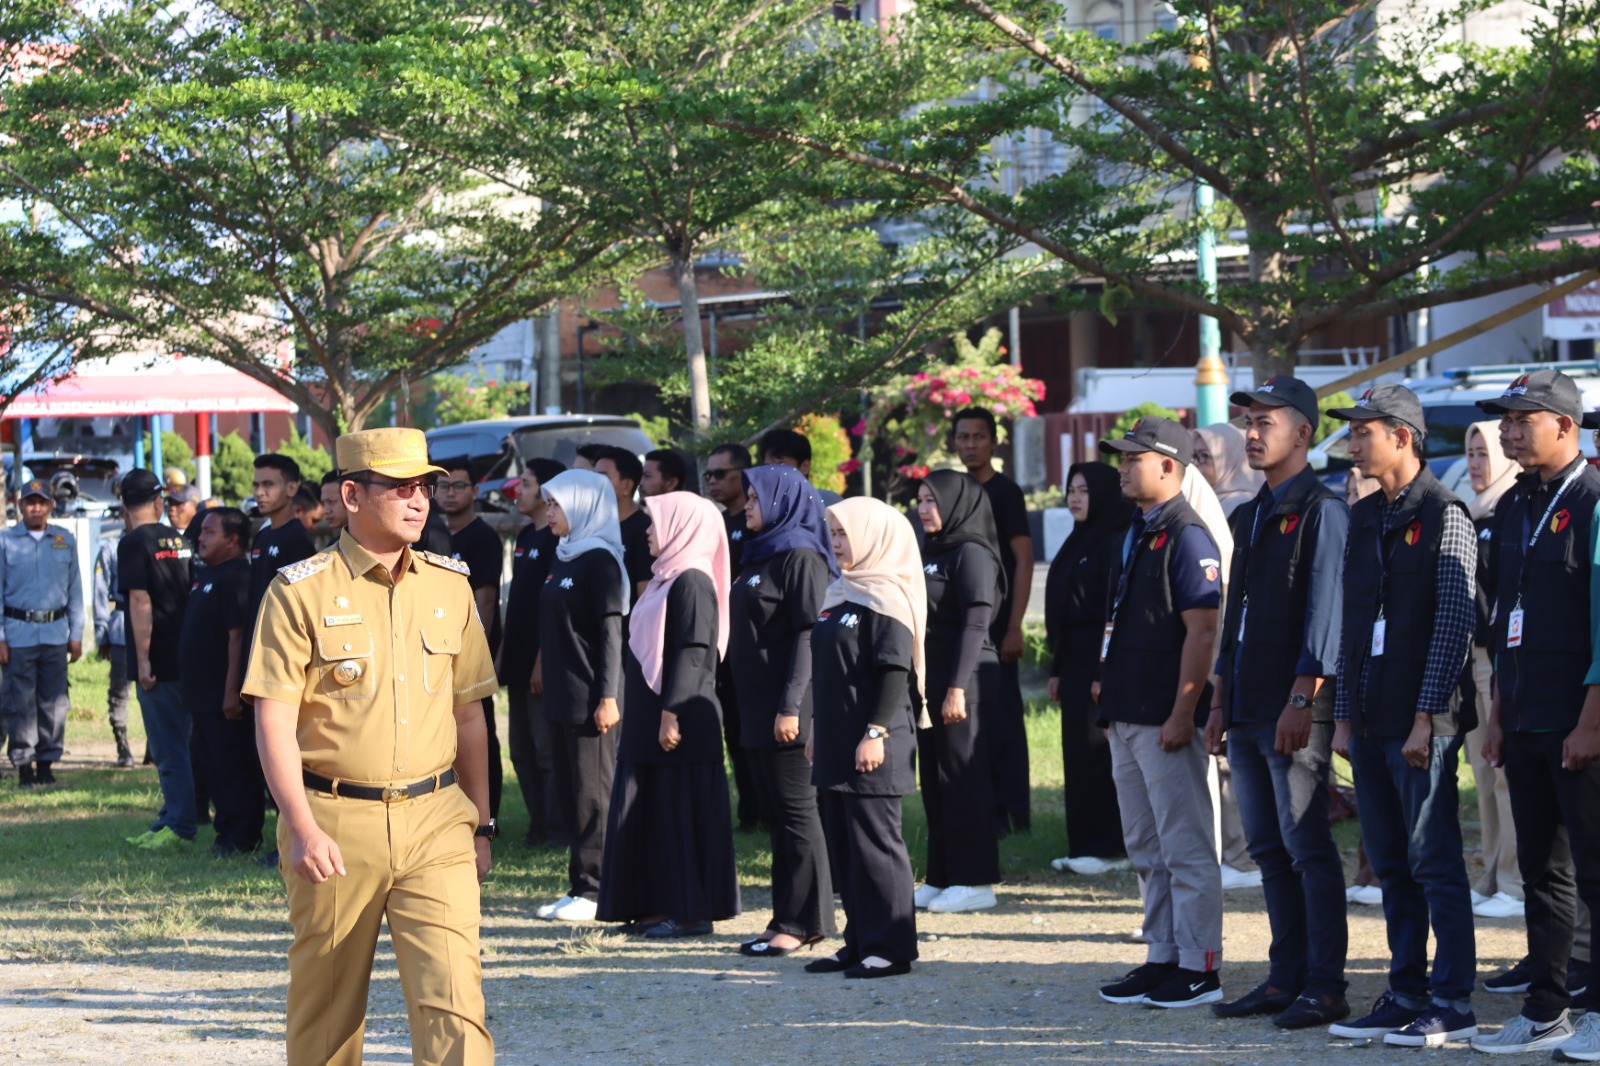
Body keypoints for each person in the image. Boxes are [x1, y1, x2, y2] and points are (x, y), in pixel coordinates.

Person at [245, 427, 498, 1066]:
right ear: (352, 494)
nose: (419, 500)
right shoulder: (299, 589)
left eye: (426, 487)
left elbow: (470, 716)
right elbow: (274, 719)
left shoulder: (450, 586)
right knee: (326, 1011)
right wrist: (300, 827)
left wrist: (482, 824)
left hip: (437, 821)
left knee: (455, 1005)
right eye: (402, 487)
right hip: (334, 823)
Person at [1324, 384, 1478, 1047]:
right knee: (1388, 859)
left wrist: (1426, 716)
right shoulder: (1364, 515)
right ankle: (1404, 989)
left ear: (1403, 436)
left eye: (1364, 432)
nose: (1353, 443)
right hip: (1370, 717)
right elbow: (1353, 623)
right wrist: (1343, 713)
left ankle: (1452, 998)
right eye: (1352, 432)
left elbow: (1453, 623)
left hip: (1423, 721)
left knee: (1432, 858)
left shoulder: (1447, 514)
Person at [1206, 377, 1351, 1030]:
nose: (1253, 433)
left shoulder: (1323, 510)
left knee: (1306, 846)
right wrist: (1219, 700)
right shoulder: (1250, 513)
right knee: (1267, 849)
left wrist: (1304, 695)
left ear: (1304, 432)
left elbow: (1326, 614)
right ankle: (1284, 976)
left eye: (1267, 422)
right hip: (1246, 706)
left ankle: (1325, 985)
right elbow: (1235, 616)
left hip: (1295, 706)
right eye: (1248, 422)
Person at [1471, 369, 1600, 1056]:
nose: (1512, 430)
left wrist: (1591, 720)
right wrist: (1498, 714)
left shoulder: (1593, 498)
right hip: (1522, 716)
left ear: (1566, 427)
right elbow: (1504, 618)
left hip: (1579, 721)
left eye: (1526, 418)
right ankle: (1547, 1007)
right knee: (1542, 870)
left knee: (1596, 869)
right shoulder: (1519, 503)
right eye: (1508, 419)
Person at [1093, 416, 1225, 1010]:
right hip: (1127, 710)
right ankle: (1163, 954)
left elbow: (1203, 631)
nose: (1122, 467)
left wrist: (1183, 710)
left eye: (1132, 459)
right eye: (1120, 458)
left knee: (1185, 845)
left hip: (1163, 717)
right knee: (1146, 846)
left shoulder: (1187, 534)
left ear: (1169, 466)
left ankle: (1200, 966)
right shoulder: (1139, 529)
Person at [598, 491, 741, 938]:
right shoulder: (665, 579)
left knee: (682, 813)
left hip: (679, 720)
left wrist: (671, 713)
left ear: (682, 527)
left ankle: (693, 911)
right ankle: (657, 905)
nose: (646, 531)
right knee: (653, 813)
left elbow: (695, 653)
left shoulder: (693, 581)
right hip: (651, 719)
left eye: (655, 522)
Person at [806, 497, 927, 979]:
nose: (836, 545)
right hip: (835, 736)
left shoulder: (887, 595)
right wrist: (815, 724)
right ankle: (858, 940)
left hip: (875, 738)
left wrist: (875, 731)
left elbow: (894, 669)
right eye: (832, 534)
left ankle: (891, 946)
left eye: (844, 534)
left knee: (876, 844)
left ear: (873, 536)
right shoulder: (840, 593)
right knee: (844, 844)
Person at [730, 464, 838, 955]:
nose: (746, 505)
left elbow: (807, 633)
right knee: (779, 816)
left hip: (787, 706)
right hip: (754, 704)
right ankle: (785, 916)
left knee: (797, 814)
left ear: (781, 500)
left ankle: (803, 922)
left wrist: (792, 705)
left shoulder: (801, 556)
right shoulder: (760, 553)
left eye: (754, 498)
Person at [535, 468, 630, 924]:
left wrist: (608, 695)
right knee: (573, 793)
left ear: (584, 506)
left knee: (594, 794)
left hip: (593, 696)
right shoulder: (564, 556)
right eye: (548, 504)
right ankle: (580, 885)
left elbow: (612, 635)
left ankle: (598, 889)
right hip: (560, 693)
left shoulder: (602, 561)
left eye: (556, 504)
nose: (549, 512)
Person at [913, 469, 1002, 914]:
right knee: (935, 781)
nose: (924, 509)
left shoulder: (972, 553)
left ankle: (976, 879)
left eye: (932, 500)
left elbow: (975, 623)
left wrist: (956, 687)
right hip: (933, 684)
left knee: (964, 780)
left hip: (964, 680)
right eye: (921, 500)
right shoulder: (933, 549)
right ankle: (943, 875)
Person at [1045, 462, 1133, 875]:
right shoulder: (1078, 541)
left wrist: (1104, 671)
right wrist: (1058, 668)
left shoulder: (1113, 542)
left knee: (1100, 753)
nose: (1075, 498)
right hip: (1075, 662)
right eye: (1071, 490)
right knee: (1077, 754)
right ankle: (1083, 844)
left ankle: (1108, 846)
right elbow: (1062, 611)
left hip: (1100, 662)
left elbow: (1110, 614)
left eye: (1084, 490)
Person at [952, 406, 1034, 836]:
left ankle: (1013, 812)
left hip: (998, 625)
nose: (970, 445)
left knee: (1002, 720)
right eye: (963, 437)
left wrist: (1015, 625)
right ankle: (979, 805)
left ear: (993, 441)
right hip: (961, 625)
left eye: (978, 437)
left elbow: (1022, 559)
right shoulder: (951, 493)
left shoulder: (1006, 493)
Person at [1462, 420, 1524, 921]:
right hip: (1472, 656)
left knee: (1503, 772)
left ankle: (1514, 879)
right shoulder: (1475, 507)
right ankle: (1491, 872)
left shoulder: (1513, 504)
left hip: (1499, 657)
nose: (1476, 463)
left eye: (1484, 454)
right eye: (1471, 452)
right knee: (1482, 771)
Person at [118, 470, 196, 848]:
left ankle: (179, 824)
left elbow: (140, 600)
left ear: (123, 505)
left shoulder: (132, 543)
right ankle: (174, 814)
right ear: (158, 502)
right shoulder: (180, 539)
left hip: (157, 659)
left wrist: (144, 660)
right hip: (186, 653)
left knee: (168, 747)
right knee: (184, 740)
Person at [181, 507, 265, 858]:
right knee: (212, 767)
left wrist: (232, 691)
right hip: (201, 696)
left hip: (223, 697)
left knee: (234, 768)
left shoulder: (236, 576)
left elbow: (237, 636)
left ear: (232, 539)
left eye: (209, 532)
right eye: (201, 532)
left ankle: (243, 836)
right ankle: (225, 832)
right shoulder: (206, 575)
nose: (200, 537)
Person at [501, 457, 568, 847]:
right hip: (517, 661)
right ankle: (536, 826)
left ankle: (557, 829)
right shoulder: (525, 536)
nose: (517, 491)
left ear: (547, 492)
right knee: (521, 752)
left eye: (525, 484)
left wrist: (543, 660)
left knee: (546, 753)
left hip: (542, 665)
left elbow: (552, 609)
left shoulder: (557, 540)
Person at [0, 479, 84, 788]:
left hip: (55, 634)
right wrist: (1, 637)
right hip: (17, 634)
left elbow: (75, 591)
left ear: (51, 505)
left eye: (41, 501)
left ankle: (47, 763)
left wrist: (76, 634)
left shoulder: (65, 540)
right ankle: (24, 766)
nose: (36, 507)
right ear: (20, 506)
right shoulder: (5, 541)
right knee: (20, 702)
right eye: (30, 501)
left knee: (54, 701)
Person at [437, 460, 505, 822]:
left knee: (480, 732)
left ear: (475, 492)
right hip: (437, 650)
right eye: (444, 487)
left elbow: (485, 601)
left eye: (459, 487)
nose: (450, 494)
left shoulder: (483, 537)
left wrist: (479, 653)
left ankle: (486, 815)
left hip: (469, 652)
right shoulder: (431, 532)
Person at [244, 454, 315, 672]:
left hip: (281, 655)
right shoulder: (262, 536)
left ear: (291, 488)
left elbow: (304, 604)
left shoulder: (297, 538)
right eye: (256, 485)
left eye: (268, 484)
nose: (259, 493)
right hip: (255, 647)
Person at [93, 507, 135, 768]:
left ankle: (153, 748)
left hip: (156, 630)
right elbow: (99, 594)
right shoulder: (111, 548)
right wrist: (101, 633)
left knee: (158, 692)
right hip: (121, 627)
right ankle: (123, 745)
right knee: (119, 692)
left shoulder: (158, 542)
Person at [594, 447, 654, 601]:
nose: (593, 485)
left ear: (627, 486)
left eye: (601, 478)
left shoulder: (645, 530)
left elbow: (646, 596)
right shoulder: (592, 527)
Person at [1193, 423, 1264, 516]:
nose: (1196, 463)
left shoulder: (1242, 505)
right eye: (1194, 455)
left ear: (1229, 459)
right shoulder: (1205, 500)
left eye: (1204, 455)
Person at [760, 428, 843, 506]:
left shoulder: (830, 503)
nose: (772, 472)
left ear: (804, 467)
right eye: (768, 467)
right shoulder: (761, 510)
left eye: (780, 465)